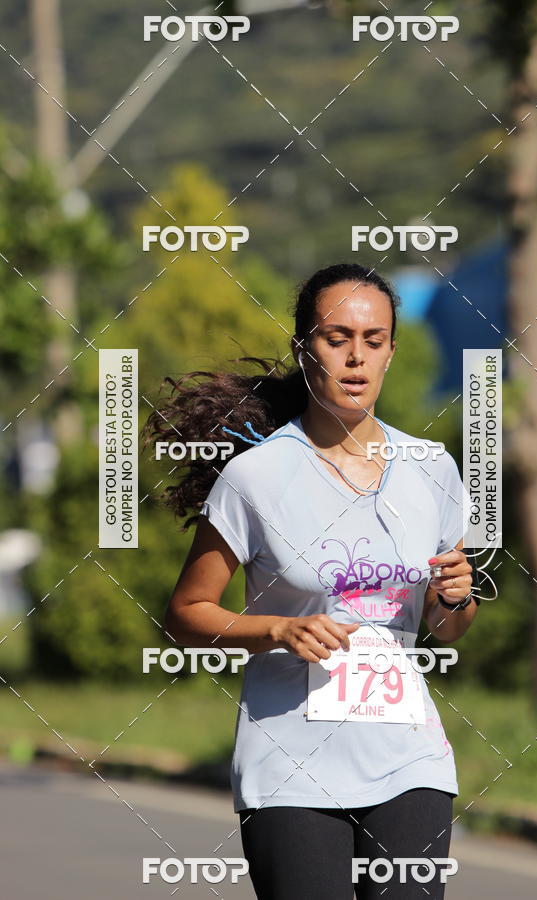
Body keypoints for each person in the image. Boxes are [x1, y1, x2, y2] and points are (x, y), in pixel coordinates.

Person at [147, 262, 477, 899]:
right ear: (305, 350)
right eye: (337, 338)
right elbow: (186, 612)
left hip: (409, 756)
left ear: (390, 353)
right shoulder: (255, 478)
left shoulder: (431, 467)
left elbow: (448, 629)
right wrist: (278, 628)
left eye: (373, 341)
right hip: (290, 764)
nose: (356, 358)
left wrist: (454, 598)